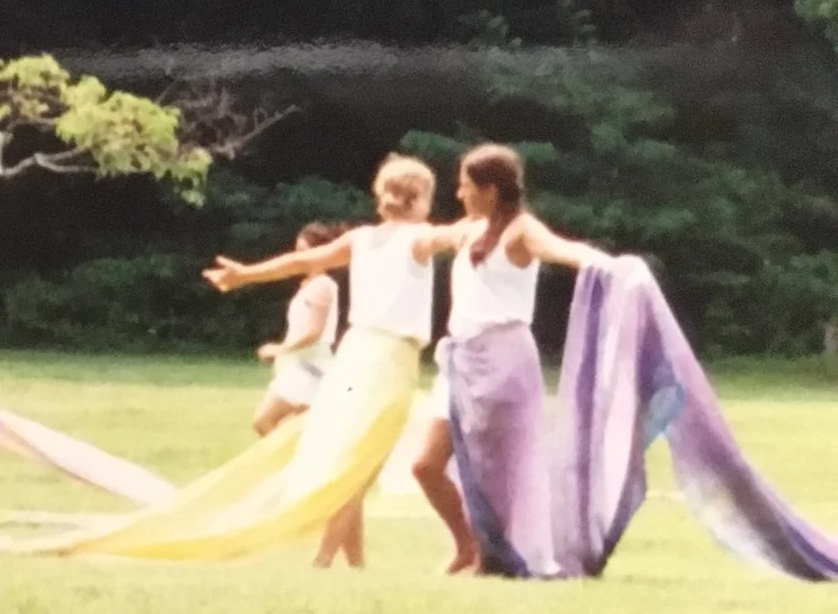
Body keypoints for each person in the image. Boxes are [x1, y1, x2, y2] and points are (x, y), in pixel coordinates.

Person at [135, 153, 436, 568]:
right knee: (360, 465)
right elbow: (462, 235)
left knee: (351, 459)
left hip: (354, 354)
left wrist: (245, 275)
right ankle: (324, 560)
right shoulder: (419, 239)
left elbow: (300, 262)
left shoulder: (361, 239)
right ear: (420, 198)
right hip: (387, 362)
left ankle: (353, 563)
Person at [410, 144, 609, 574]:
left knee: (498, 470)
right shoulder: (470, 229)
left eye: (466, 187)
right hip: (460, 358)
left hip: (504, 358)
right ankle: (470, 546)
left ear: (490, 190)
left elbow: (564, 250)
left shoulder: (521, 230)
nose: (459, 194)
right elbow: (429, 239)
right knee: (425, 464)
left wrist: (608, 265)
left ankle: (492, 558)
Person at [250, 221, 347, 437]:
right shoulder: (310, 285)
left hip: (310, 366)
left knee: (264, 420)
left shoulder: (322, 285)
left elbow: (314, 332)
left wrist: (280, 349)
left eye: (305, 252)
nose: (300, 259)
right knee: (301, 432)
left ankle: (286, 468)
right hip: (302, 364)